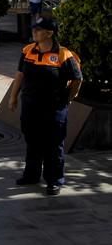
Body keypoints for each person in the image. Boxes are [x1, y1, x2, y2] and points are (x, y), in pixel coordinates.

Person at [8, 17, 82, 196]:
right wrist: (13, 97)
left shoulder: (64, 54)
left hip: (54, 108)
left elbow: (77, 79)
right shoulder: (28, 50)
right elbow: (20, 75)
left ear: (50, 33)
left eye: (39, 30)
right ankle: (31, 175)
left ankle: (54, 180)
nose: (34, 32)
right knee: (32, 141)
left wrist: (69, 98)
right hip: (31, 105)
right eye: (34, 29)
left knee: (53, 144)